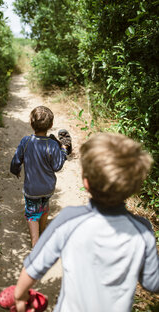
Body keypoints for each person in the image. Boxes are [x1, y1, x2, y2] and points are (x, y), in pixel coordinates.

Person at [11, 132, 159, 312]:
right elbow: (153, 282)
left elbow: (34, 265)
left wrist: (20, 295)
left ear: (85, 182)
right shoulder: (143, 231)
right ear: (135, 188)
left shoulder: (69, 220)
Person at [10, 106, 71, 247]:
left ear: (31, 123)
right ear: (51, 125)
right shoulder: (52, 144)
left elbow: (16, 160)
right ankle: (64, 150)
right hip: (48, 187)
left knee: (32, 213)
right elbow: (57, 167)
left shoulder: (26, 142)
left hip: (32, 189)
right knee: (44, 206)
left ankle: (35, 242)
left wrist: (15, 169)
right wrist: (60, 152)